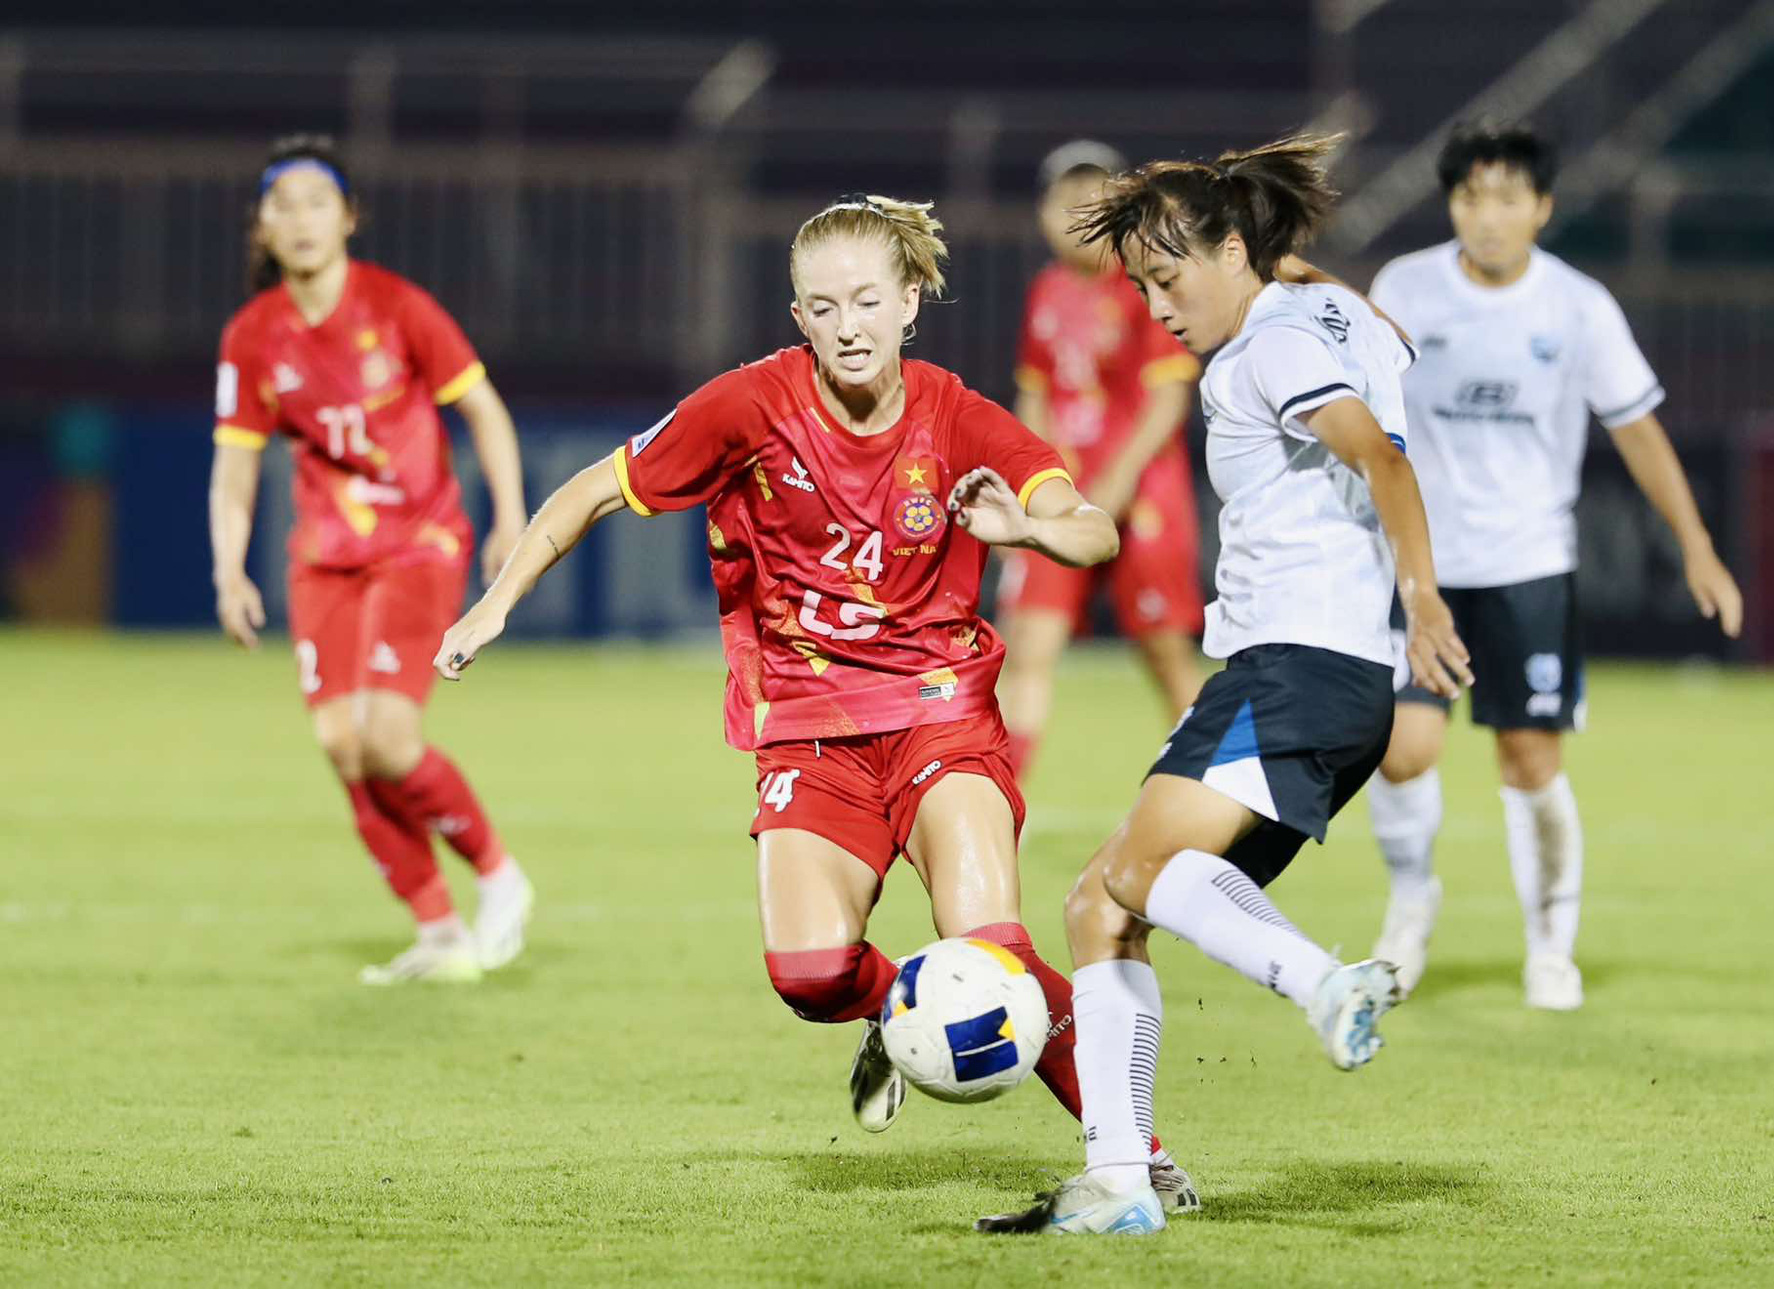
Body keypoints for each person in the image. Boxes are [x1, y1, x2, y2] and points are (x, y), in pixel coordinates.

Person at [430, 193, 1201, 1210]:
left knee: (996, 957)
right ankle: (897, 1011)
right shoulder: (745, 407)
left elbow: (1090, 526)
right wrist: (492, 606)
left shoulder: (956, 413)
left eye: (867, 301)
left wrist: (1027, 525)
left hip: (939, 715)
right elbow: (587, 490)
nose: (846, 325)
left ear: (910, 301)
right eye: (822, 306)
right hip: (808, 725)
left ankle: (1133, 1150)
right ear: (797, 316)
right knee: (805, 974)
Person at [977, 135, 1470, 1236]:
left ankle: (1321, 981)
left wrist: (1424, 596)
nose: (1155, 306)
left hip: (1291, 665)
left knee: (1138, 871)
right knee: (1100, 904)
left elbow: (1378, 457)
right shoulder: (1326, 313)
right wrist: (1294, 274)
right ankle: (1117, 1179)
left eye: (1168, 277)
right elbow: (1368, 347)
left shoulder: (1267, 354)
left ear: (1234, 249)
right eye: (1142, 282)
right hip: (1339, 681)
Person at [1356, 122, 1743, 1010]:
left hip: (1529, 563)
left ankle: (1549, 946)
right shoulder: (1405, 287)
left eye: (1505, 198)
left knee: (1529, 760)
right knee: (1404, 749)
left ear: (1542, 208)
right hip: (1425, 566)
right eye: (1468, 197)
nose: (1485, 217)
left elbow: (1637, 427)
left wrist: (1697, 547)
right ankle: (1409, 912)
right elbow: (1362, 419)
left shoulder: (1578, 306)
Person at [207, 135, 535, 984]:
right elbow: (236, 467)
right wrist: (228, 568)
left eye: (319, 202)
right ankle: (438, 932)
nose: (302, 219)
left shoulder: (398, 307)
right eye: (283, 206)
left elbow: (485, 410)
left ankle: (500, 876)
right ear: (263, 229)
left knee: (387, 737)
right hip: (325, 558)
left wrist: (508, 516)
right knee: (341, 745)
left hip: (419, 542)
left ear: (349, 218)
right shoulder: (253, 337)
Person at [996, 141, 1205, 775]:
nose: (1077, 214)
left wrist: (1115, 481)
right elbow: (1035, 394)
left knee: (1166, 652)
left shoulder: (1146, 279)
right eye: (1065, 200)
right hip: (1064, 493)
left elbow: (1169, 394)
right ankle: (999, 806)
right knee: (1028, 644)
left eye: (1093, 200)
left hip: (1142, 493)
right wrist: (1031, 487)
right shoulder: (1047, 290)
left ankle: (1217, 788)